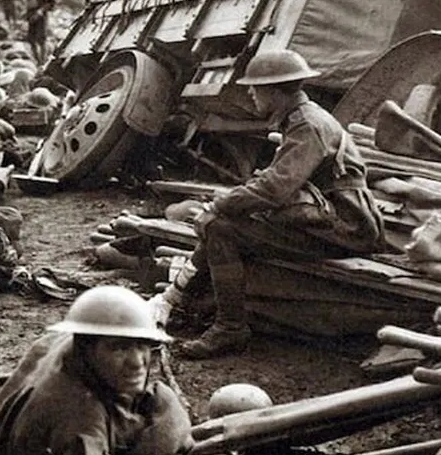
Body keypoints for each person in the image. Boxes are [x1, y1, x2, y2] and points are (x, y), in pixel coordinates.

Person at [150, 49, 383, 357]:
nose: (250, 94)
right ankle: (175, 299)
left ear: (275, 91)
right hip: (326, 219)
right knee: (219, 224)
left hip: (345, 228)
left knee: (220, 228)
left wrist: (219, 205)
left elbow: (274, 189)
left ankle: (229, 327)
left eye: (255, 88)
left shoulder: (308, 125)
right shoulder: (301, 119)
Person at [0, 285, 191, 455]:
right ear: (88, 348)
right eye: (120, 349)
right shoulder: (81, 422)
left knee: (164, 405)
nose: (138, 361)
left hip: (13, 422)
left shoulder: (70, 344)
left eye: (143, 345)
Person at [25, 0, 56, 64]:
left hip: (40, 16)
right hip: (32, 16)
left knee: (41, 39)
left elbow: (51, 2)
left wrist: (41, 10)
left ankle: (42, 61)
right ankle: (38, 60)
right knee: (31, 39)